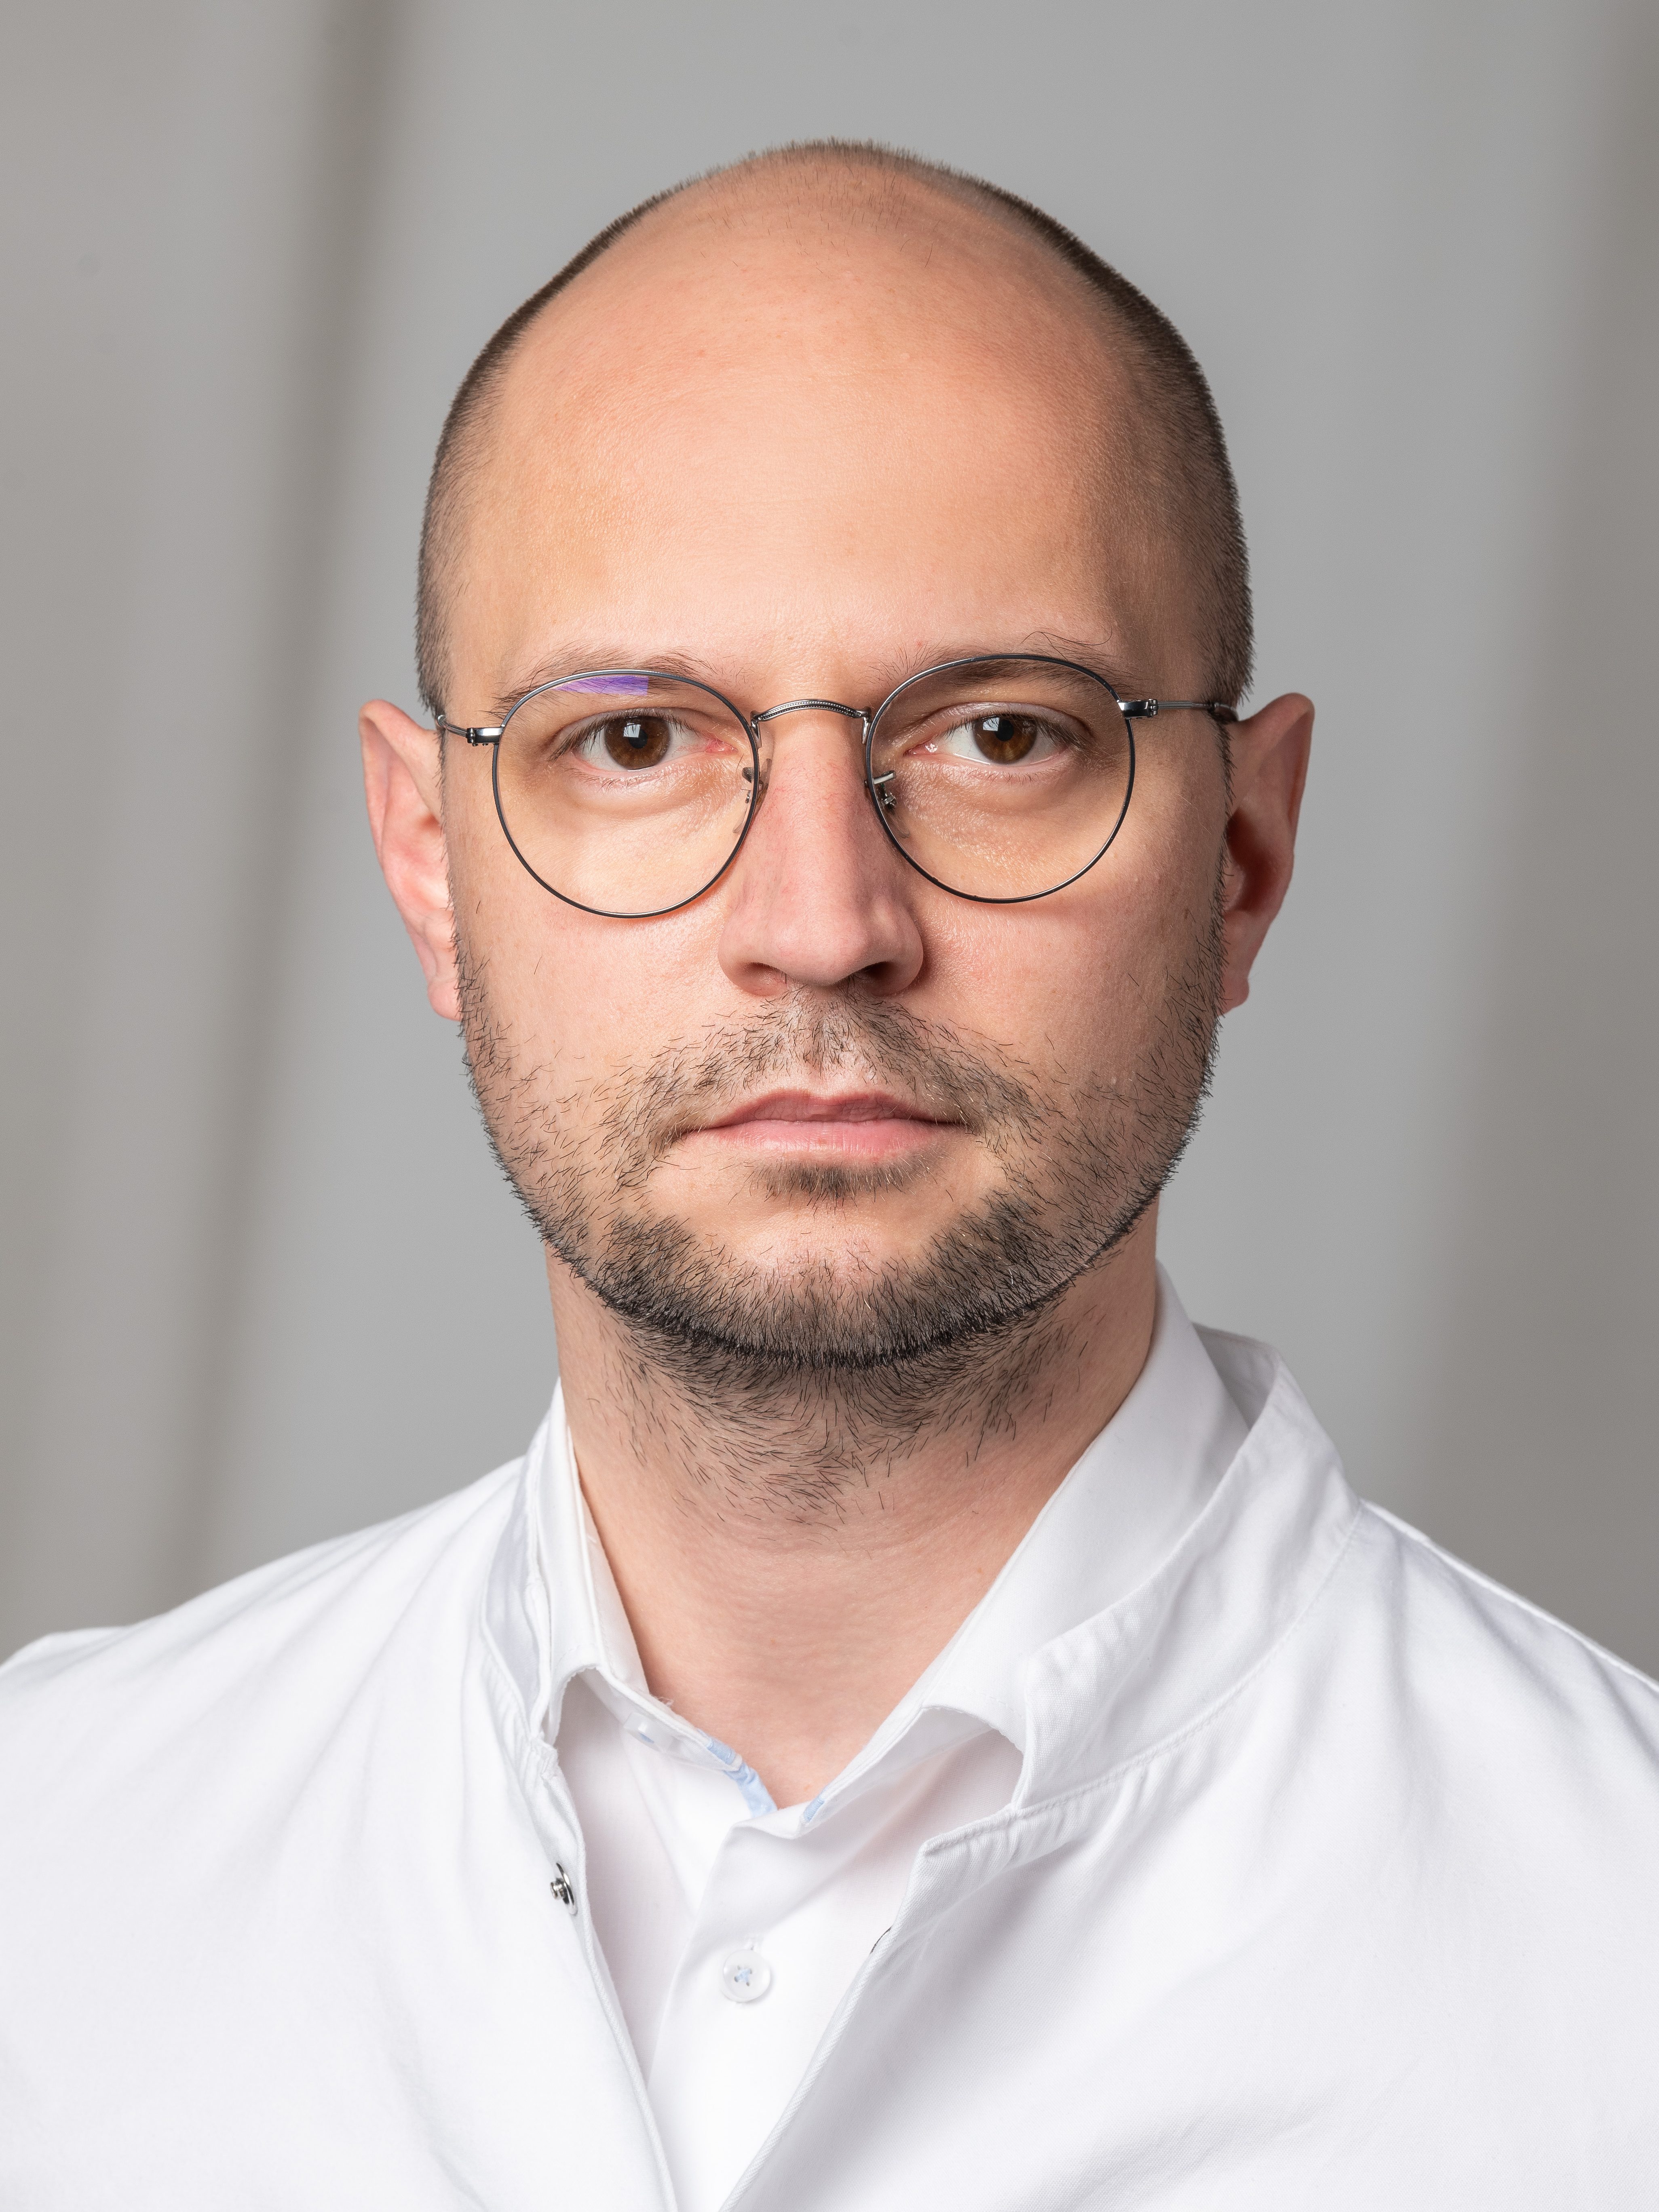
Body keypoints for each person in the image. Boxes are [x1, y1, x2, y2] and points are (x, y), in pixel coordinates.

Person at [1, 141, 1655, 2211]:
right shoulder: (52, 1874)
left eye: (1002, 736)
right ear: (431, 866)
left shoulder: (1618, 1983)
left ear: (1245, 854)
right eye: (633, 741)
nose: (821, 922)